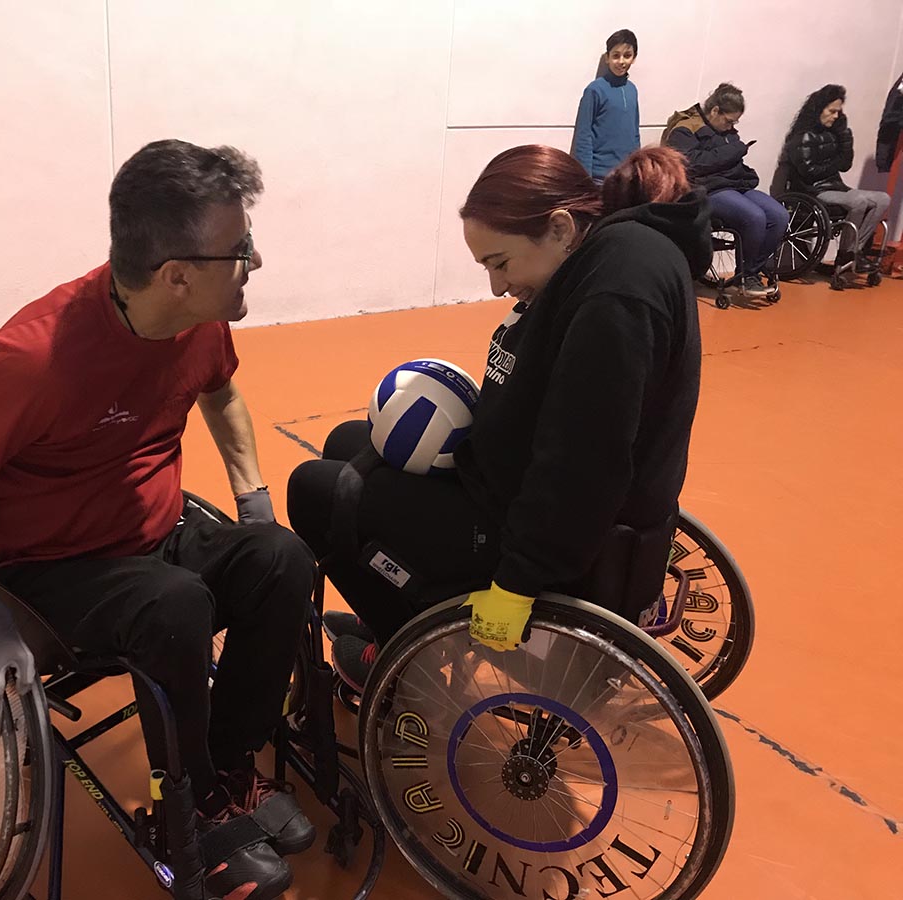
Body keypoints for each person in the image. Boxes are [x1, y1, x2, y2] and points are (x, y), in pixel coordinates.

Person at [0, 139, 315, 900]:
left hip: (149, 534)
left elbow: (220, 393)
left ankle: (219, 773)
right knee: (175, 606)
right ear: (176, 275)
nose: (255, 260)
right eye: (239, 249)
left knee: (280, 559)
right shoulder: (32, 360)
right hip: (46, 565)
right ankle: (176, 817)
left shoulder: (201, 318)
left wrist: (252, 498)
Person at [286, 146, 710, 693]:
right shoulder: (603, 257)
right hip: (513, 486)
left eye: (500, 263)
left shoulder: (615, 292)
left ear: (559, 227)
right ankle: (395, 614)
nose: (495, 287)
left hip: (553, 541)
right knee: (348, 441)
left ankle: (401, 659)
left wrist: (517, 582)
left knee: (315, 491)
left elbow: (585, 465)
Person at [664, 83, 788, 298]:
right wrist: (735, 149)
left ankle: (754, 270)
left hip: (736, 184)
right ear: (714, 111)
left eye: (735, 122)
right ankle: (746, 276)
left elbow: (727, 159)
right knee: (755, 217)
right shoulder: (685, 128)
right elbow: (691, 163)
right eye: (729, 120)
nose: (732, 126)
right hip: (706, 190)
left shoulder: (727, 132)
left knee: (779, 215)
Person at [783, 84, 891, 272]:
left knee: (883, 198)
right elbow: (809, 173)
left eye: (838, 112)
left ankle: (854, 250)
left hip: (835, 187)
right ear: (819, 109)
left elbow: (845, 164)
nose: (835, 116)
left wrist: (845, 137)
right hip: (813, 191)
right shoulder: (801, 137)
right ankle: (845, 255)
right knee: (858, 201)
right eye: (832, 111)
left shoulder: (833, 134)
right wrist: (834, 163)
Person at [571, 29, 642, 183]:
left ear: (634, 58)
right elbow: (583, 136)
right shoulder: (594, 90)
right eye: (616, 56)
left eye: (627, 55)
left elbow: (635, 134)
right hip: (599, 179)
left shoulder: (632, 90)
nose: (621, 61)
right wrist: (586, 179)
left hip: (626, 177)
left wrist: (638, 169)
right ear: (607, 58)